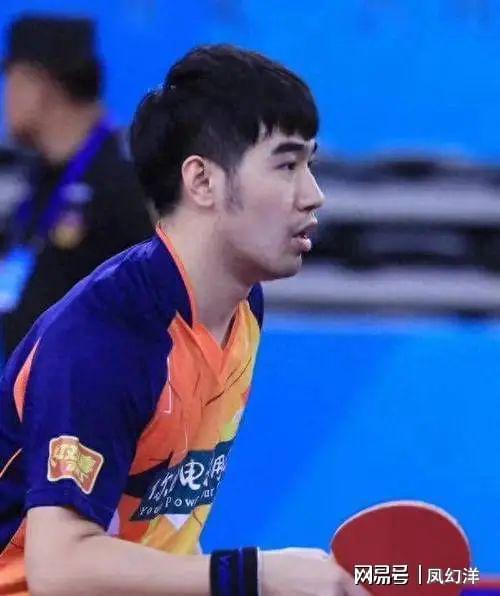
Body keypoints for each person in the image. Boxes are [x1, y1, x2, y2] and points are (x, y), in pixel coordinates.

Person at [0, 44, 365, 596]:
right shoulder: (103, 339)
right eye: (287, 165)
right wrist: (257, 575)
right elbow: (59, 568)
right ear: (202, 181)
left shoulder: (241, 308)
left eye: (309, 164)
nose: (314, 195)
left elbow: (160, 532)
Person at [0, 14, 152, 356]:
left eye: (11, 80)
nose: (6, 96)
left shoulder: (121, 184)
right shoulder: (40, 180)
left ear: (41, 85)